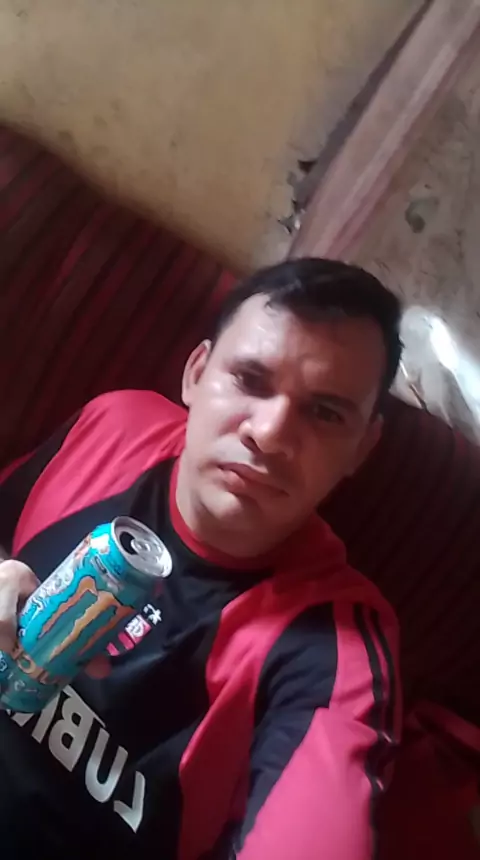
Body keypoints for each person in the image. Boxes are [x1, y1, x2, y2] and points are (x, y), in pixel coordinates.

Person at [0, 258, 403, 860]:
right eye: (249, 378)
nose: (269, 434)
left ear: (361, 449)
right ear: (195, 373)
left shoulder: (337, 646)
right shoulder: (114, 424)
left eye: (325, 412)